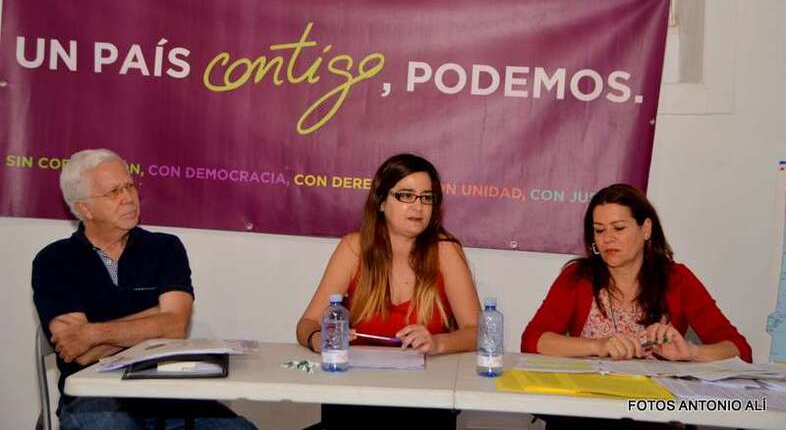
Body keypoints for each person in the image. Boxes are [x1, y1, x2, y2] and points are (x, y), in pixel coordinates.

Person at [32, 148, 256, 430]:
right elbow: (77, 352)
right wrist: (154, 321)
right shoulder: (53, 260)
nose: (128, 198)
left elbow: (175, 326)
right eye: (113, 192)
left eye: (129, 186)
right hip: (93, 394)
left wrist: (93, 333)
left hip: (162, 390)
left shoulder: (165, 248)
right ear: (84, 208)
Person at [296, 153, 480, 426]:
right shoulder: (354, 248)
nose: (418, 206)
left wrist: (438, 343)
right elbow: (307, 323)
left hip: (424, 399)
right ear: (381, 202)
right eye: (406, 195)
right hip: (356, 396)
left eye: (427, 197)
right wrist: (318, 339)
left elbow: (478, 332)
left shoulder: (445, 251)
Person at [521, 183, 751, 363]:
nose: (607, 238)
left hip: (652, 409)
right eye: (599, 230)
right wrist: (598, 346)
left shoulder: (677, 279)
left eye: (619, 228)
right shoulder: (578, 277)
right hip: (587, 405)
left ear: (646, 229)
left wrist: (691, 352)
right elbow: (533, 340)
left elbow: (739, 350)